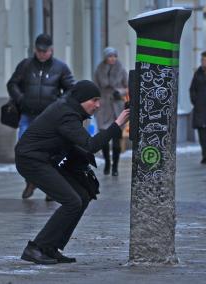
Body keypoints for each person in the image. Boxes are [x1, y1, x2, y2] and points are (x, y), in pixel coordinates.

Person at [15, 80, 129, 264]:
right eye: (94, 100)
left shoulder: (71, 110)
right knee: (71, 201)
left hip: (46, 159)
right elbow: (90, 145)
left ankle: (51, 248)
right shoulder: (66, 114)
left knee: (82, 195)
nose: (98, 105)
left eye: (99, 100)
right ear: (81, 99)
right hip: (32, 161)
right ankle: (35, 248)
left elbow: (73, 143)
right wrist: (117, 125)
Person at [7, 33, 75, 200]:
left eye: (45, 51)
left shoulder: (60, 67)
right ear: (35, 50)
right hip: (28, 115)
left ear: (51, 50)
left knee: (50, 152)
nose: (42, 54)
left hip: (50, 118)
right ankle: (30, 181)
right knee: (24, 150)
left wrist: (59, 103)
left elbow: (71, 89)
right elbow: (12, 84)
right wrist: (21, 99)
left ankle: (50, 188)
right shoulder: (26, 65)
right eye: (39, 50)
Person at [93, 47, 128, 176]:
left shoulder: (121, 69)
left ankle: (115, 167)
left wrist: (120, 92)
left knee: (117, 138)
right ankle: (107, 162)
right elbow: (94, 88)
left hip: (117, 106)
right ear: (105, 57)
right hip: (103, 107)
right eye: (110, 56)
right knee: (104, 138)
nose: (112, 58)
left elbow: (127, 86)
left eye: (114, 56)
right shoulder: (99, 70)